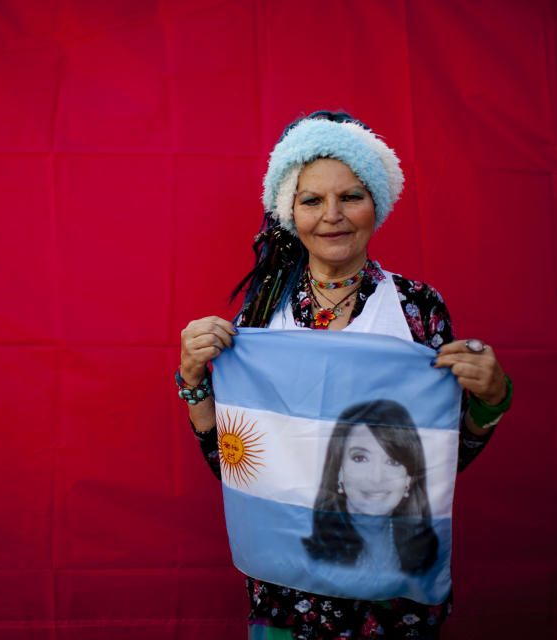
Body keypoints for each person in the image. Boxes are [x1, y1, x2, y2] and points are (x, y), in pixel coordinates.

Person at [177, 110, 513, 640]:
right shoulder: (261, 315)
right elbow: (237, 467)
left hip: (391, 596)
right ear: (290, 212)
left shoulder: (416, 310)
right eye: (312, 200)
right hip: (287, 593)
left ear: (375, 203)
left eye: (351, 196)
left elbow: (435, 464)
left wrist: (492, 400)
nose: (332, 215)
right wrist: (193, 380)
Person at [302, 400, 438, 578]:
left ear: (409, 480)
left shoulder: (426, 550)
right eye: (360, 458)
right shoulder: (304, 552)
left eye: (393, 461)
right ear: (338, 472)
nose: (376, 478)